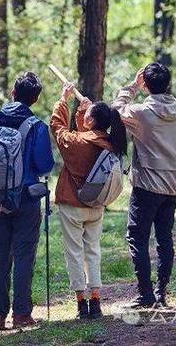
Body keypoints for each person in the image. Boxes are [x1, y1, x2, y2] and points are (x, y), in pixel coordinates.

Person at [0, 72, 55, 330]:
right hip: (26, 200)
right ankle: (21, 314)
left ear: (12, 92)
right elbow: (45, 165)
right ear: (36, 98)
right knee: (24, 255)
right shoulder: (37, 126)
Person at [111, 63, 176, 308]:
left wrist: (133, 86)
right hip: (172, 186)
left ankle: (146, 294)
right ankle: (161, 292)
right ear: (168, 84)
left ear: (147, 84)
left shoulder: (141, 113)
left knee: (137, 236)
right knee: (165, 239)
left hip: (146, 185)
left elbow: (115, 109)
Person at [50, 82, 128, 319]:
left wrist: (63, 101)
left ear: (92, 122)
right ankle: (96, 301)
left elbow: (58, 129)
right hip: (96, 206)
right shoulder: (110, 144)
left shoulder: (79, 143)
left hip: (72, 205)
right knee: (92, 252)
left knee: (74, 252)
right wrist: (84, 113)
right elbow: (84, 136)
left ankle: (81, 303)